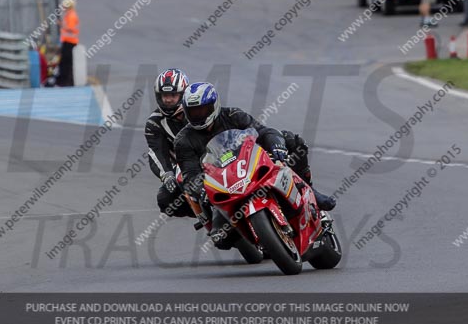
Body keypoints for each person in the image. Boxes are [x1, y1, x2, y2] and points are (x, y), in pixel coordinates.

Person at [174, 82, 336, 249]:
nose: (198, 115)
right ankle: (236, 232)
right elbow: (189, 173)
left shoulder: (233, 115)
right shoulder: (183, 140)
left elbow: (262, 131)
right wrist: (200, 188)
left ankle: (310, 191)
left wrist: (276, 144)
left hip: (249, 163)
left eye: (202, 109)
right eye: (193, 111)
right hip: (220, 182)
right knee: (221, 239)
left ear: (214, 106)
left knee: (291, 140)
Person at [144, 68, 194, 218]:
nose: (168, 99)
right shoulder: (154, 123)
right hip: (184, 168)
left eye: (173, 95)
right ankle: (204, 216)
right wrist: (167, 175)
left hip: (213, 158)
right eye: (164, 95)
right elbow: (156, 152)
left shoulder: (197, 110)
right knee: (165, 199)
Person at [57, 0, 80, 86]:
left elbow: (70, 29)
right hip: (68, 41)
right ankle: (65, 81)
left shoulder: (71, 16)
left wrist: (61, 24)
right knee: (65, 62)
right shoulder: (69, 14)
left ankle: (67, 81)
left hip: (69, 42)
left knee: (66, 63)